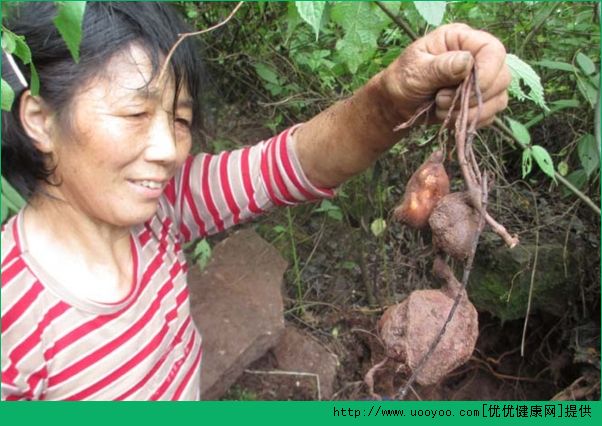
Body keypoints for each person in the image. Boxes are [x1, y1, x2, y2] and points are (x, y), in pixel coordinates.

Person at [1, 2, 510, 400]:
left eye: (179, 121)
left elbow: (289, 165)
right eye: (135, 114)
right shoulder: (12, 314)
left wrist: (393, 96)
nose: (168, 150)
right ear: (40, 118)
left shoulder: (163, 209)